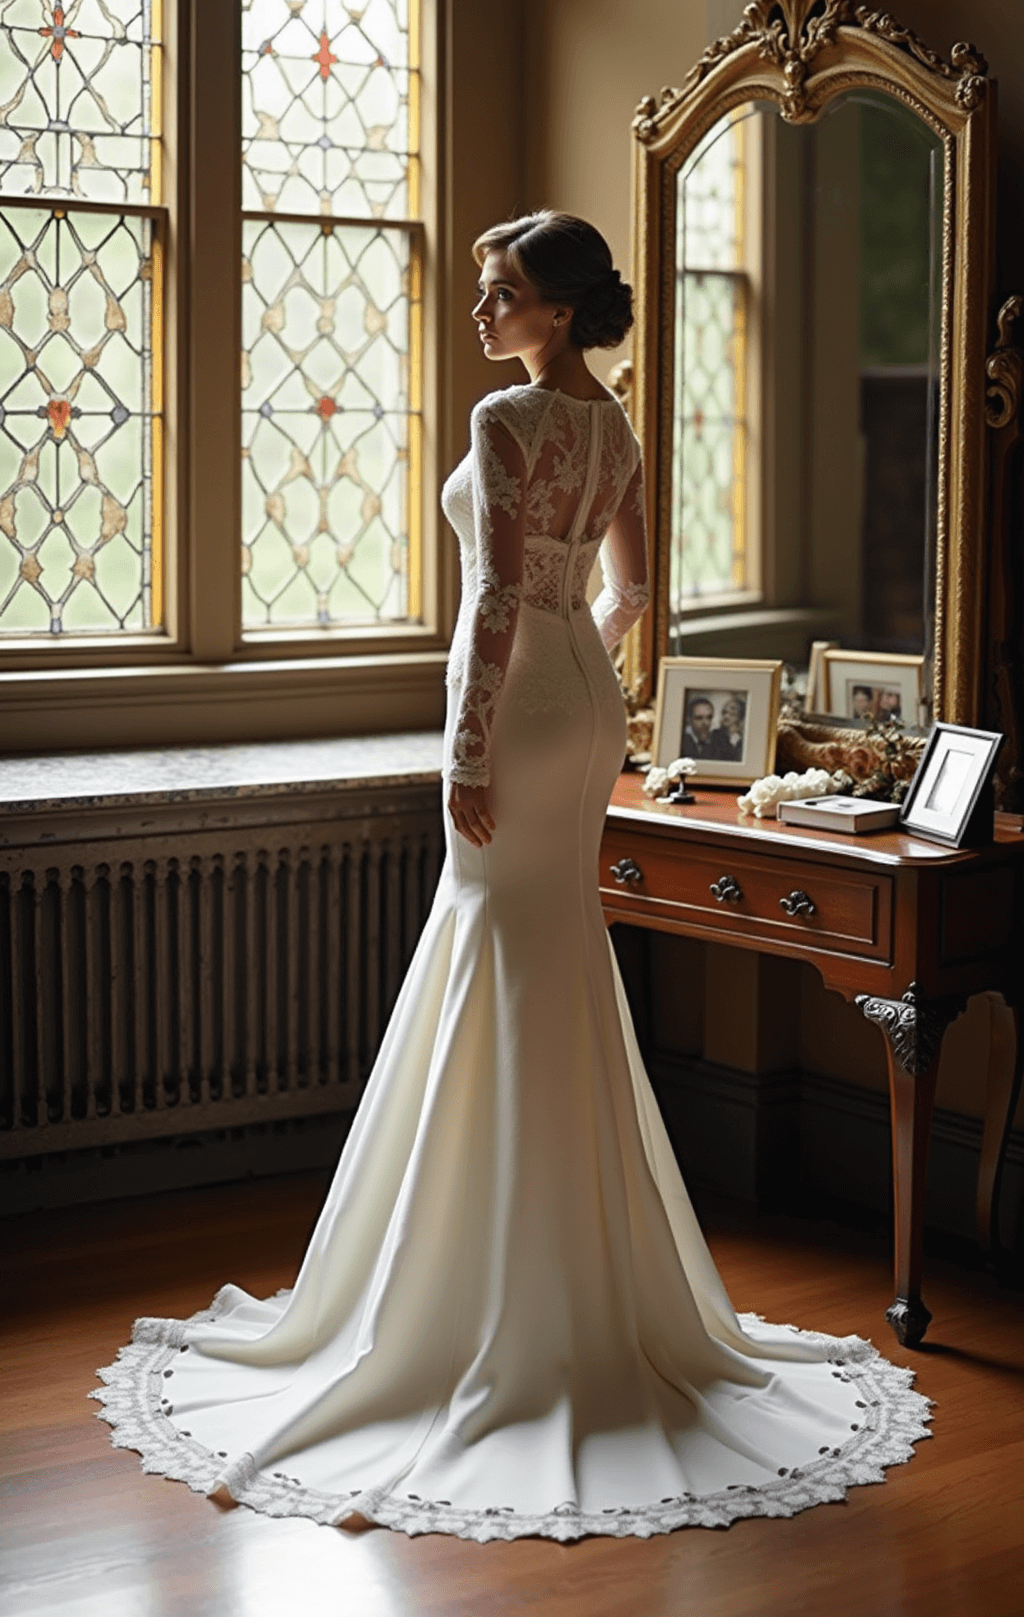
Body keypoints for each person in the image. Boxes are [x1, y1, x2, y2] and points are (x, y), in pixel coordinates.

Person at [95, 211, 930, 1541]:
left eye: (502, 294)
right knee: (548, 949)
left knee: (496, 938)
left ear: (556, 310)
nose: (481, 313)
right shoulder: (620, 432)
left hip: (513, 703)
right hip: (582, 704)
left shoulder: (507, 425)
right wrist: (577, 662)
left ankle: (476, 1288)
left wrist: (470, 747)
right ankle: (570, 1276)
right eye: (484, 292)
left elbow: (491, 603)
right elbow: (637, 593)